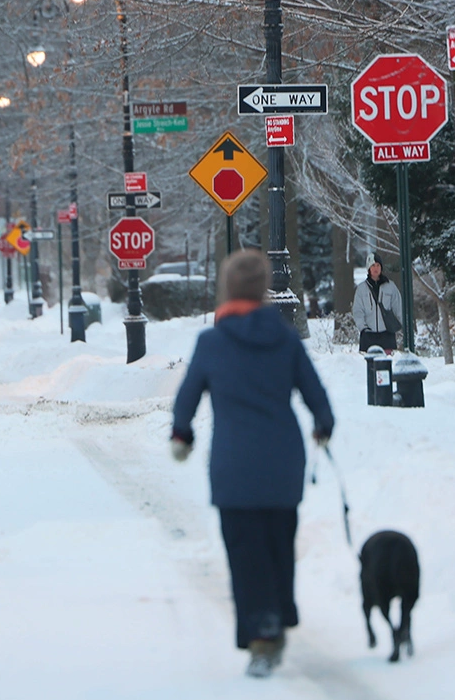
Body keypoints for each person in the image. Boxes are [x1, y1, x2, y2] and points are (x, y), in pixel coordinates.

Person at [170, 249, 335, 679]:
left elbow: (187, 397)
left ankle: (263, 632)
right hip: (283, 463)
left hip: (234, 465)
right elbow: (316, 394)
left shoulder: (212, 342)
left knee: (246, 552)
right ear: (262, 289)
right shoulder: (284, 339)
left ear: (228, 288)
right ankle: (280, 614)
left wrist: (181, 434)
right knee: (280, 545)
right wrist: (323, 425)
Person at [353, 252, 404, 353]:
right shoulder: (361, 289)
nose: (375, 268)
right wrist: (363, 328)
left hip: (387, 334)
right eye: (373, 265)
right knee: (370, 366)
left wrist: (399, 324)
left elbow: (398, 307)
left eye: (378, 265)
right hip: (368, 335)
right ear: (369, 268)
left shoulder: (390, 287)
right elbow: (358, 311)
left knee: (387, 365)